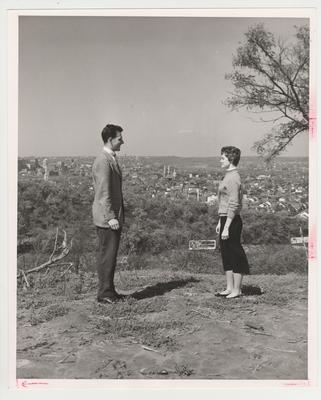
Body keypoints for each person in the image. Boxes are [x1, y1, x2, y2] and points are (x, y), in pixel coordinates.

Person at [92, 124, 126, 303]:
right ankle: (104, 293)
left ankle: (109, 291)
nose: (123, 141)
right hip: (107, 218)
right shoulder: (104, 161)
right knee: (107, 254)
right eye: (119, 139)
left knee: (110, 254)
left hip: (111, 216)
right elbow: (103, 193)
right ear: (110, 140)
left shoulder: (109, 158)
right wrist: (111, 216)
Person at [216, 146, 249, 298]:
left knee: (235, 254)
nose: (220, 160)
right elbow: (224, 201)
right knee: (226, 254)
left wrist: (226, 227)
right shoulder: (228, 175)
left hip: (232, 221)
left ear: (230, 159)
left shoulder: (233, 177)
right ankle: (230, 288)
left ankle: (237, 289)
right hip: (225, 218)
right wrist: (220, 222)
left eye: (222, 158)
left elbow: (234, 204)